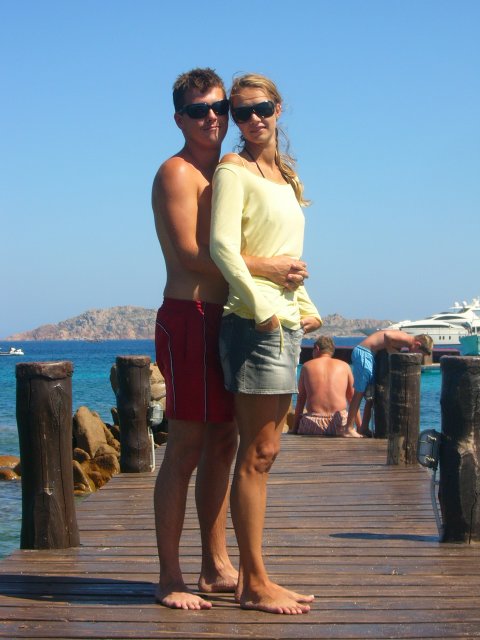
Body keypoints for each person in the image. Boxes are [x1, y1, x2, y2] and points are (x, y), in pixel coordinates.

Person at [152, 68, 309, 611]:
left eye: (220, 108)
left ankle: (216, 565)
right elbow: (194, 254)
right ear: (179, 119)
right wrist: (270, 267)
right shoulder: (177, 173)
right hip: (190, 314)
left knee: (222, 443)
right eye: (199, 111)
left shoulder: (227, 170)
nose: (212, 118)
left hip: (229, 317)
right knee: (186, 446)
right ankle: (169, 577)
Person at [210, 73, 322, 614]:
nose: (254, 118)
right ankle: (253, 582)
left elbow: (283, 257)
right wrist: (261, 309)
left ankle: (254, 576)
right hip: (255, 324)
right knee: (257, 453)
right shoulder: (233, 170)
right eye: (242, 112)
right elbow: (222, 249)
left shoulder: (286, 176)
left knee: (266, 451)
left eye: (262, 108)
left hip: (286, 323)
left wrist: (305, 304)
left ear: (279, 108)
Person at [344, 330, 434, 437]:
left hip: (370, 355)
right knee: (359, 392)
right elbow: (387, 335)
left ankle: (364, 427)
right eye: (419, 353)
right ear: (417, 344)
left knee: (371, 394)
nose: (416, 355)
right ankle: (349, 428)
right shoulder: (406, 338)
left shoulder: (405, 342)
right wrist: (390, 349)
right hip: (364, 352)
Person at [293, 336, 362, 437]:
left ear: (317, 348)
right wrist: (360, 427)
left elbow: (301, 399)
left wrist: (294, 428)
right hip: (339, 424)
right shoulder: (345, 366)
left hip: (312, 424)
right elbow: (352, 398)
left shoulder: (306, 366)